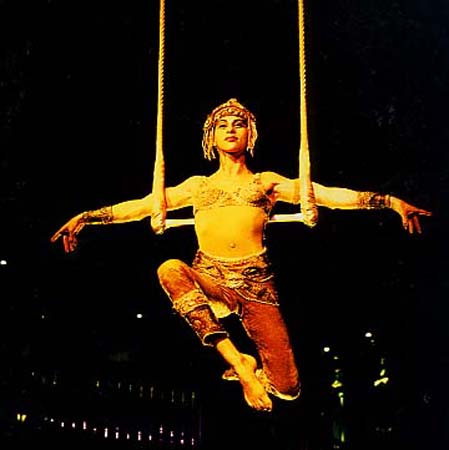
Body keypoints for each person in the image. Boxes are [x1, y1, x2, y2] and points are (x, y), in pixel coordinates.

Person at [51, 98, 431, 412]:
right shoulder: (198, 187)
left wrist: (390, 202)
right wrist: (86, 218)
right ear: (211, 137)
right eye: (223, 125)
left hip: (256, 285)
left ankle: (253, 365)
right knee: (170, 269)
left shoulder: (266, 183)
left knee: (287, 388)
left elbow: (329, 195)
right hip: (211, 278)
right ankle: (240, 365)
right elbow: (140, 206)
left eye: (239, 124)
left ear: (250, 134)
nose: (231, 129)